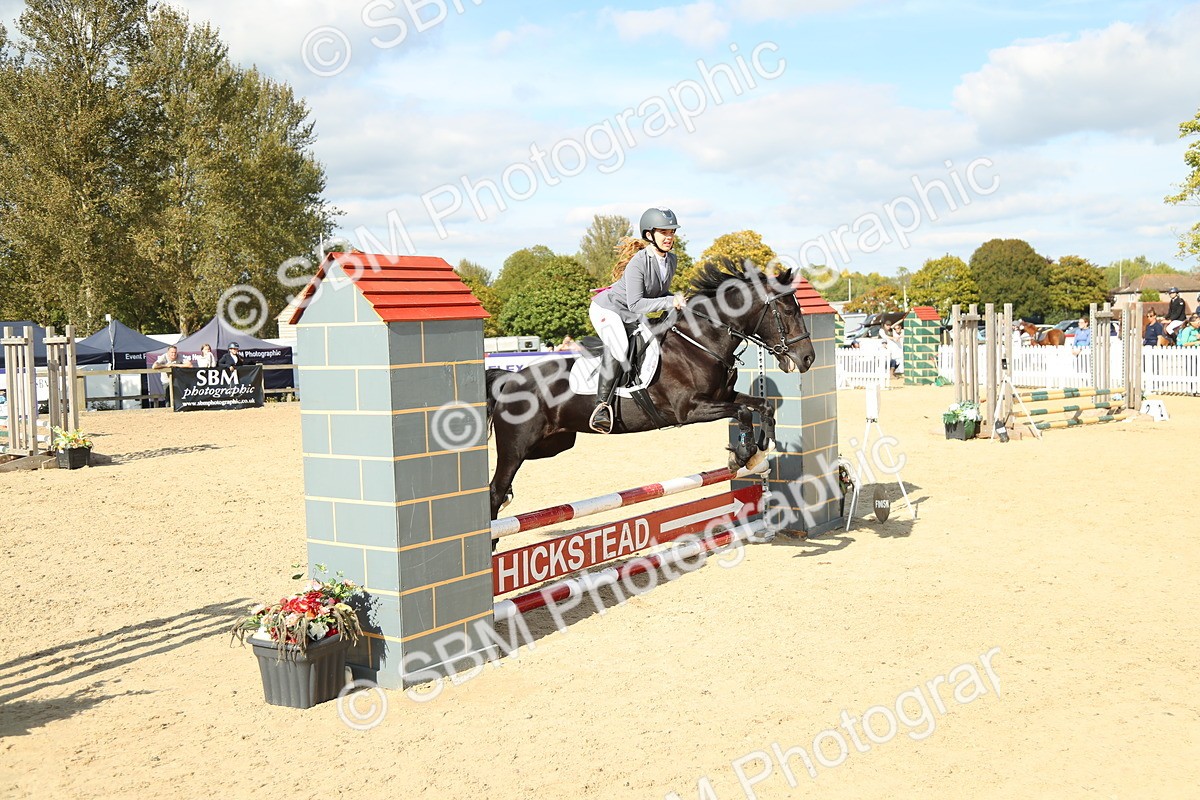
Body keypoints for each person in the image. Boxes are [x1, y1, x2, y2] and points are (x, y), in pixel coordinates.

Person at [587, 207, 687, 433]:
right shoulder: (639, 262)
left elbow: (659, 293)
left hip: (631, 313)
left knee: (653, 342)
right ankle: (601, 407)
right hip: (608, 309)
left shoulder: (672, 260)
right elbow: (637, 303)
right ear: (649, 235)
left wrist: (677, 301)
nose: (669, 237)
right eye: (663, 232)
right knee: (620, 345)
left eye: (671, 232)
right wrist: (670, 301)